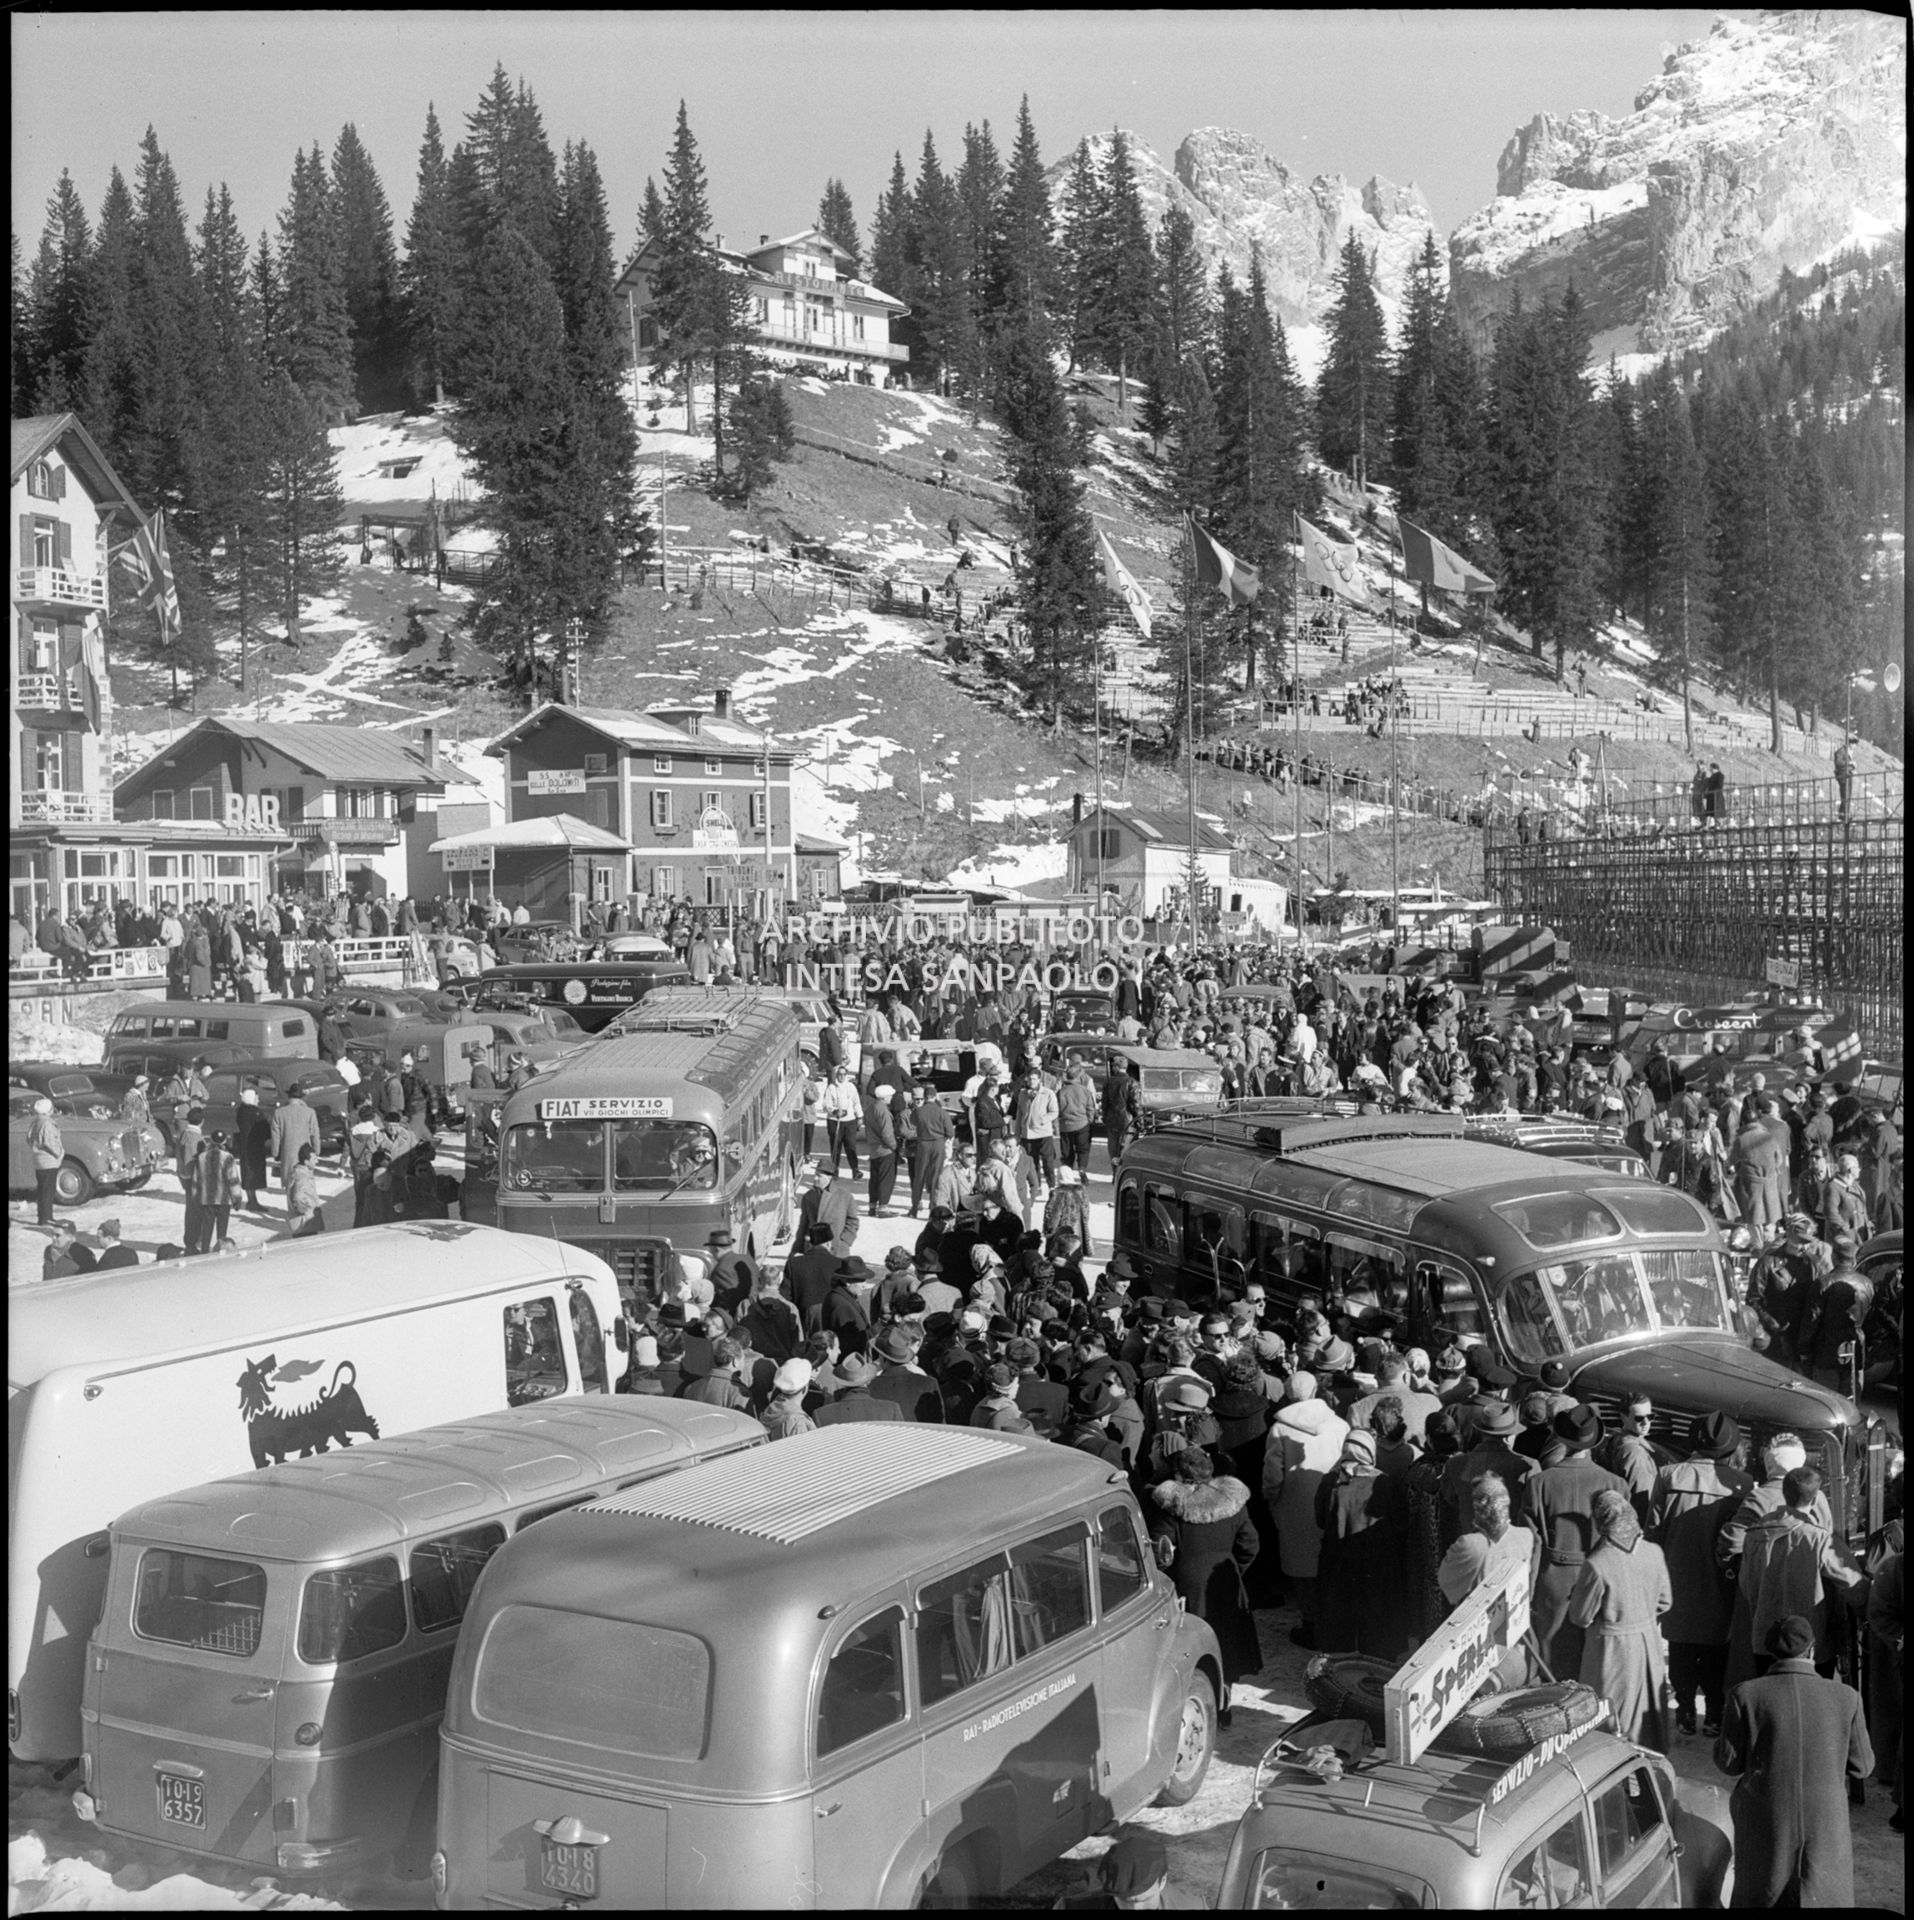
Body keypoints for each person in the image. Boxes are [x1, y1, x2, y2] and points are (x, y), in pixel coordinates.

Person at [1715, 1614, 1874, 1907]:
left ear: (1769, 1651)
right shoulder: (1846, 1697)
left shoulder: (1745, 1695)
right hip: (1824, 1824)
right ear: (1812, 1650)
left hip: (1766, 1821)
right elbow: (1863, 1767)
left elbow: (1728, 1765)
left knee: (1762, 1895)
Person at [1650, 1412, 1748, 1737]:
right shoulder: (1742, 1484)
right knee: (1716, 1648)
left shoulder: (1667, 1476)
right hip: (1720, 1581)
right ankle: (1716, 1714)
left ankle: (1686, 1711)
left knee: (1679, 1646)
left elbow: (1653, 1532)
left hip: (1675, 1577)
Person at [1148, 1448, 1261, 1728]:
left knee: (1192, 1646)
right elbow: (1250, 1544)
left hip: (1189, 1584)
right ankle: (1225, 1706)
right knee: (1227, 1641)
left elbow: (1162, 1553)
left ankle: (1199, 1705)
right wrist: (1233, 1570)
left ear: (1179, 1474)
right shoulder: (1232, 1502)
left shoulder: (1172, 1505)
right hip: (1225, 1581)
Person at [1526, 1405, 1631, 1680]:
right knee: (1596, 1658)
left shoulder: (1539, 1483)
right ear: (1595, 1440)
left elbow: (1531, 1544)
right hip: (1601, 1579)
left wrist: (1527, 1590)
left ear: (1560, 1439)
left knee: (1552, 1657)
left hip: (1552, 1580)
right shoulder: (1616, 1484)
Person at [1568, 1488, 1673, 1746]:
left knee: (1611, 1714)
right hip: (1648, 1644)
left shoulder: (1597, 1563)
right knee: (1648, 1716)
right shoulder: (1654, 1552)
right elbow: (1666, 1601)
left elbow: (1580, 1617)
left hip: (1612, 1650)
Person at [1263, 1371, 1347, 1649]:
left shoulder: (1279, 1429)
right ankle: (1333, 1622)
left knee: (1301, 1567)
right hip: (1332, 1503)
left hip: (1294, 1504)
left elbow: (1273, 1476)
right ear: (1314, 1392)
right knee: (1329, 1562)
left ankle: (1310, 1624)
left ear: (1287, 1394)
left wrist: (1272, 1500)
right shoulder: (1338, 1424)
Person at [1314, 1428, 1409, 1660]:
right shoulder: (1383, 1483)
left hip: (1338, 1560)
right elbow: (1400, 1522)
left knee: (1341, 1618)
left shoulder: (1330, 1481)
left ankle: (1341, 1664)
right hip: (1377, 1563)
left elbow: (1319, 1520)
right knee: (1377, 1618)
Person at [1437, 1474, 1536, 1691]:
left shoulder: (1470, 1544)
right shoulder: (1525, 1536)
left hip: (1479, 1638)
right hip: (1515, 1630)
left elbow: (1445, 1579)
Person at [26, 1096, 63, 1225]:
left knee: (42, 1190)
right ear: (48, 1111)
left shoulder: (35, 1122)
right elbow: (49, 1141)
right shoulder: (47, 1123)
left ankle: (42, 1217)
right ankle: (46, 1218)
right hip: (49, 1161)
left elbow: (29, 1139)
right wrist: (59, 1152)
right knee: (48, 1191)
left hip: (39, 1161)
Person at [234, 1088, 272, 1212]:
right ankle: (252, 1202)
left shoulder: (241, 1111)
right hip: (255, 1146)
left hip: (245, 1145)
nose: (258, 1099)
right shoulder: (255, 1112)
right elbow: (265, 1130)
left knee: (247, 1172)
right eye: (256, 1097)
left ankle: (252, 1200)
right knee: (253, 1173)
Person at [284, 1142, 322, 1236]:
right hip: (305, 1225)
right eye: (314, 1159)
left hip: (302, 1223)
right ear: (306, 1162)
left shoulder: (298, 1172)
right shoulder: (302, 1176)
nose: (317, 1161)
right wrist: (309, 1212)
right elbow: (298, 1198)